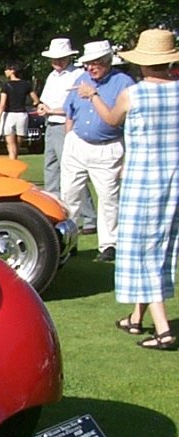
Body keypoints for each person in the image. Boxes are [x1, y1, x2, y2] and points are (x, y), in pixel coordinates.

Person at [76, 29, 179, 350]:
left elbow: (109, 120)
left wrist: (92, 96)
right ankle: (136, 318)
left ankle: (163, 329)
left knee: (142, 251)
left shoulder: (133, 94)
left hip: (142, 180)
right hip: (174, 179)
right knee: (161, 246)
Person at [61, 40, 135, 262]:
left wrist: (94, 95)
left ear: (107, 62)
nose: (90, 68)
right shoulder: (81, 79)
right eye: (87, 64)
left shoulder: (123, 83)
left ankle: (108, 244)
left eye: (95, 64)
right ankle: (69, 241)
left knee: (108, 197)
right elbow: (69, 112)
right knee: (69, 195)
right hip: (77, 143)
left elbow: (117, 120)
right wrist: (69, 137)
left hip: (107, 146)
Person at [36, 37, 97, 234]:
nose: (57, 62)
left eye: (61, 58)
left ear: (69, 57)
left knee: (73, 173)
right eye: (55, 59)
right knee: (51, 171)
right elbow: (45, 100)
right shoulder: (52, 76)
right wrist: (43, 108)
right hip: (51, 126)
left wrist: (52, 110)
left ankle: (89, 218)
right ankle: (54, 213)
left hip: (67, 126)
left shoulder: (78, 75)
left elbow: (76, 106)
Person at [0, 61, 39, 159]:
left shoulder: (6, 86)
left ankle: (12, 166)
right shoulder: (26, 84)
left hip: (9, 115)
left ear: (12, 71)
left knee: (10, 145)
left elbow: (2, 104)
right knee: (17, 146)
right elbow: (36, 100)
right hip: (22, 115)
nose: (5, 72)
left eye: (7, 69)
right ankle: (14, 162)